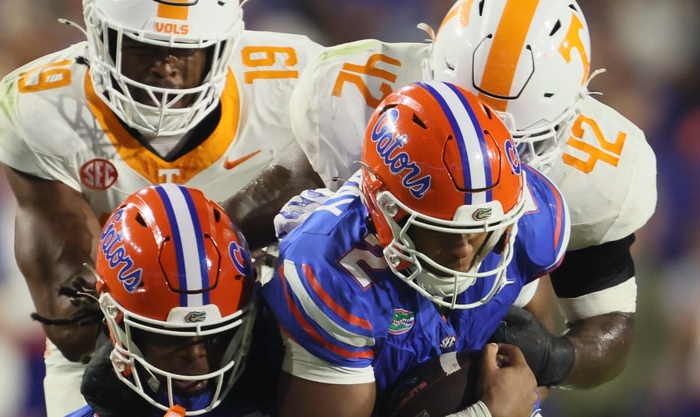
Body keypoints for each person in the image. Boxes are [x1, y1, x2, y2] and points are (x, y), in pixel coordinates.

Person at [287, 0, 657, 390]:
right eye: (459, 129)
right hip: (349, 318)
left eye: (515, 146)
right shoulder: (353, 100)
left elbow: (608, 326)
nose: (483, 165)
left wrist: (553, 358)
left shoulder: (595, 177)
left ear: (572, 114)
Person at [0, 0, 324, 414]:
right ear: (97, 34)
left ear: (224, 43)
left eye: (185, 51)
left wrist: (193, 245)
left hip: (270, 317)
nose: (165, 68)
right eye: (141, 46)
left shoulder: (302, 77)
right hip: (116, 347)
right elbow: (73, 327)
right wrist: (199, 252)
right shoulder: (41, 104)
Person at [262, 80, 570, 417]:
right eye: (441, 231)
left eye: (481, 231)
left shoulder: (529, 222)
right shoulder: (331, 274)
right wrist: (484, 414)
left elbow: (533, 372)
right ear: (384, 210)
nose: (464, 252)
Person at [65, 183, 268, 417]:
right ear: (114, 319)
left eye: (214, 338)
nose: (195, 355)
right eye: (171, 337)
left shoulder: (283, 391)